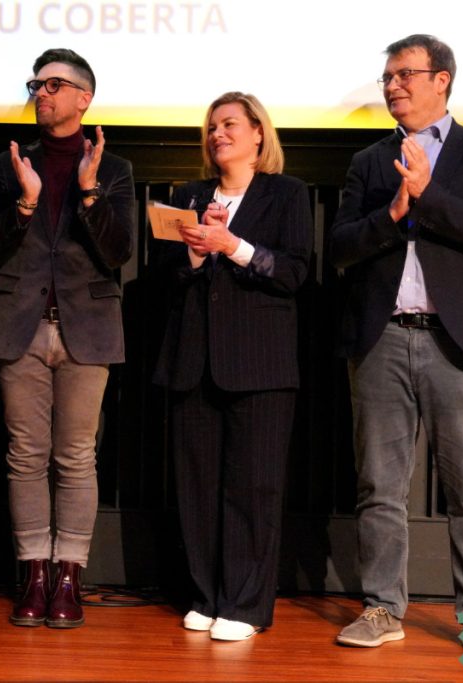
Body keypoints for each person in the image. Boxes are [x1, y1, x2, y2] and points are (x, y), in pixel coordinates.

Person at [330, 35, 463, 661]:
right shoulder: (368, 161)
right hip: (382, 338)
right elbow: (342, 247)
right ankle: (382, 608)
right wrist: (392, 212)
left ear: (442, 79)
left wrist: (429, 194)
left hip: (458, 342)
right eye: (387, 77)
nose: (392, 86)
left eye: (405, 74)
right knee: (380, 487)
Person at [0, 48, 135, 629]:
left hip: (85, 327)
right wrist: (25, 202)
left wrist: (90, 192)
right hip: (19, 323)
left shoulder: (113, 168)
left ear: (83, 98)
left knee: (75, 456)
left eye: (53, 85)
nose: (40, 93)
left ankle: (69, 575)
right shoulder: (8, 163)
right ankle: (34, 574)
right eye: (35, 85)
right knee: (25, 455)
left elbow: (118, 252)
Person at [152, 92, 312, 641]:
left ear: (258, 133)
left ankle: (244, 605)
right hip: (193, 361)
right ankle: (205, 596)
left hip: (260, 364)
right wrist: (196, 252)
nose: (217, 134)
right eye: (212, 126)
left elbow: (293, 273)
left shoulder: (286, 194)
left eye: (229, 124)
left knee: (253, 489)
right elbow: (166, 277)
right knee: (196, 488)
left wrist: (233, 245)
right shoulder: (188, 196)